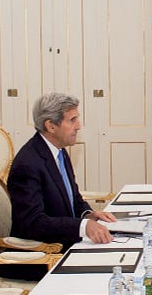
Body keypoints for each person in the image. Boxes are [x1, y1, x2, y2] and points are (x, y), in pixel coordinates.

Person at [8, 93, 117, 251]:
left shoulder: (59, 151)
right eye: (72, 120)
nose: (78, 126)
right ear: (51, 126)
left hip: (67, 243)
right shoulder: (28, 164)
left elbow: (73, 199)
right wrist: (82, 226)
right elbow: (33, 223)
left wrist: (88, 215)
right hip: (43, 257)